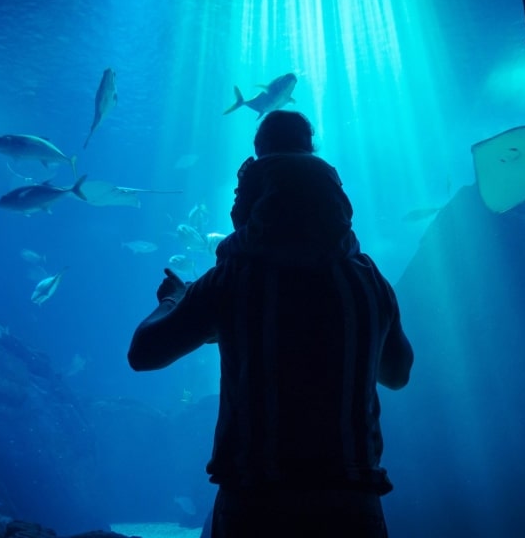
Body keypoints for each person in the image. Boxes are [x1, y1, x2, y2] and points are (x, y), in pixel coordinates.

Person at [128, 110, 414, 538]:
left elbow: (144, 354)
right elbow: (397, 373)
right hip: (353, 502)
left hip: (256, 502)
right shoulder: (368, 280)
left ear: (255, 197)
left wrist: (175, 300)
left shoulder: (233, 278)